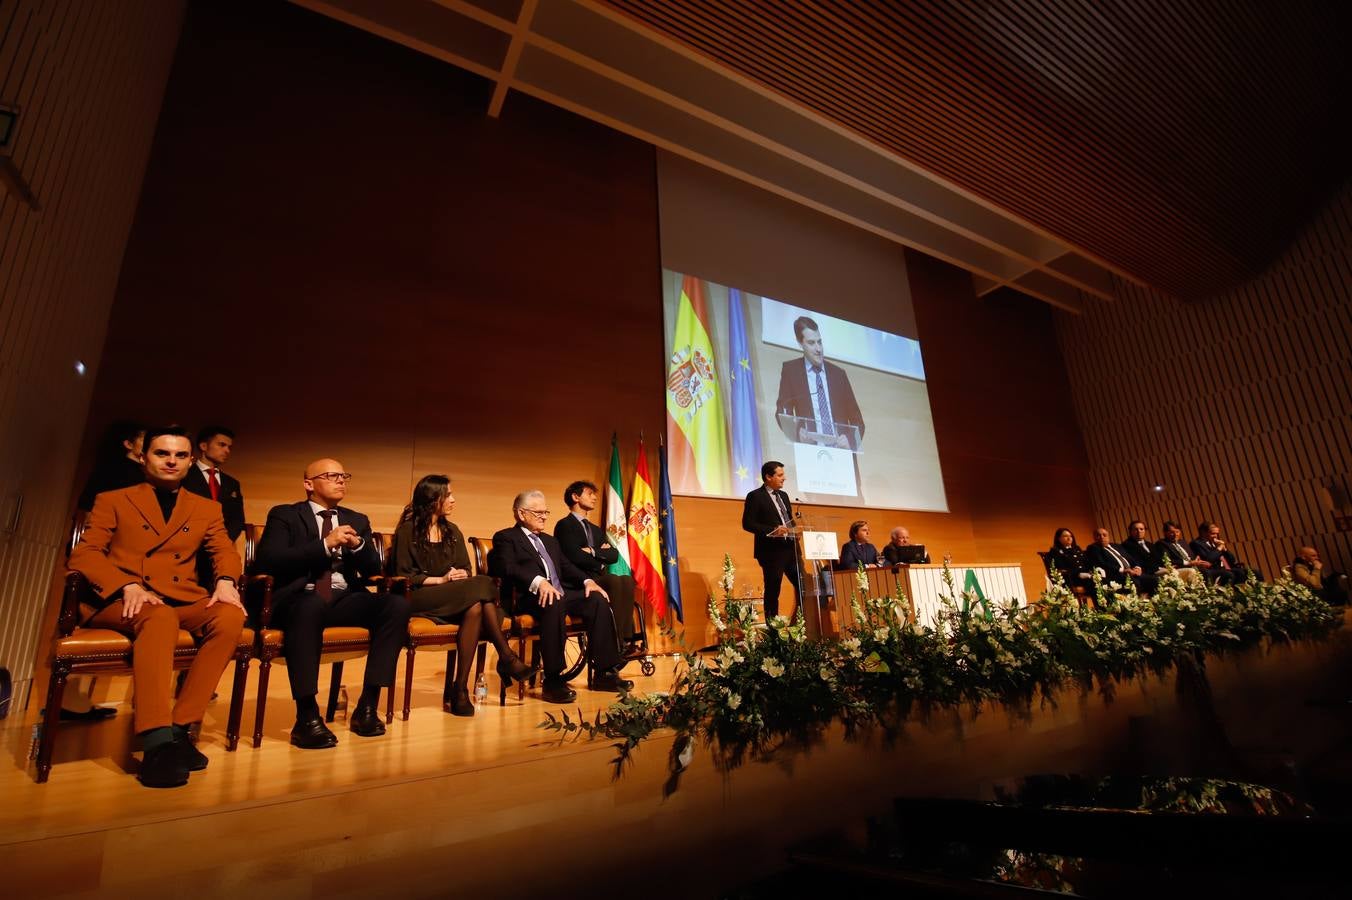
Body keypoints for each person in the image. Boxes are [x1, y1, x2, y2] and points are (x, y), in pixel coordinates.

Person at [67, 426, 245, 788]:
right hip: (122, 599)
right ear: (144, 457)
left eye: (180, 455)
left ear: (190, 460)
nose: (171, 461)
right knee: (160, 616)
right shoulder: (114, 499)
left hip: (182, 597)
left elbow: (223, 550)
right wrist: (126, 584)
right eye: (162, 453)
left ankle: (180, 729)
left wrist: (226, 580)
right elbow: (84, 554)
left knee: (229, 616)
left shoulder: (207, 508)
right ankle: (155, 740)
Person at [254, 460, 410, 749]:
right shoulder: (285, 515)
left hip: (342, 597)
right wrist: (325, 544)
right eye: (331, 476)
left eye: (344, 476)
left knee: (396, 606)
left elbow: (374, 568)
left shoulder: (357, 519)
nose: (341, 480)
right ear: (308, 484)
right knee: (310, 605)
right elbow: (269, 561)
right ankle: (307, 716)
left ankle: (367, 705)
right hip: (298, 598)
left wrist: (359, 546)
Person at [393, 475, 533, 715]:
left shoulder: (452, 531)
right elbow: (403, 575)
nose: (453, 500)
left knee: (477, 606)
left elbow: (467, 568)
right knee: (484, 584)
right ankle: (506, 657)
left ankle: (460, 690)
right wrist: (441, 579)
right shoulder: (408, 531)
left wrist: (459, 573)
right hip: (420, 597)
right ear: (432, 498)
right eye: (448, 495)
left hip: (455, 597)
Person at [490, 490, 628, 703]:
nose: (544, 516)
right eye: (538, 512)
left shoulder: (550, 541)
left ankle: (605, 672)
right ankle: (553, 680)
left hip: (560, 594)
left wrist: (587, 581)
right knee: (554, 600)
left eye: (546, 512)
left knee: (596, 600)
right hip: (528, 596)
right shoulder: (506, 538)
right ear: (521, 513)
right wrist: (539, 581)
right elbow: (506, 567)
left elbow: (566, 566)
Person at [554, 479, 637, 653]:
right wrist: (600, 556)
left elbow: (613, 555)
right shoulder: (564, 525)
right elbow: (573, 556)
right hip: (578, 580)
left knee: (627, 581)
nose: (594, 498)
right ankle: (616, 643)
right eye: (590, 494)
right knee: (614, 581)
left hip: (597, 577)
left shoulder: (596, 529)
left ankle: (624, 638)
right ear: (575, 497)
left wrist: (591, 550)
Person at [774, 316, 865, 450]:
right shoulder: (791, 371)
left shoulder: (839, 375)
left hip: (842, 453)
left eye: (820, 342)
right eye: (811, 343)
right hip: (810, 452)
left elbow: (858, 421)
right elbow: (782, 412)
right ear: (800, 343)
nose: (818, 349)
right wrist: (797, 433)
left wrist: (850, 439)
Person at [182, 426, 246, 589]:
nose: (227, 450)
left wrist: (223, 540)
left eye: (229, 447)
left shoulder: (232, 483)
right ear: (203, 446)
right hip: (189, 547)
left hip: (220, 547)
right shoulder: (184, 476)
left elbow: (237, 519)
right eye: (222, 445)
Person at [741, 460, 800, 619]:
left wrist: (795, 530)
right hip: (771, 552)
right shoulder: (755, 496)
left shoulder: (784, 495)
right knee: (774, 590)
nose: (784, 478)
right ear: (768, 477)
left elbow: (788, 519)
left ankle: (800, 624)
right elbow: (748, 524)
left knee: (803, 586)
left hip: (790, 549)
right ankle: (773, 630)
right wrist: (773, 530)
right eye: (780, 475)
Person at [76, 419, 145, 511]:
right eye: (144, 440)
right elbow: (88, 502)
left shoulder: (146, 471)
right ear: (128, 444)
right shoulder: (112, 468)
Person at [1084, 527, 1157, 595]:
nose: (1102, 537)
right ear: (1094, 538)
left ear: (1108, 536)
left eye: (1104, 535)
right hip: (1117, 575)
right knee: (1132, 581)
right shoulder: (1093, 548)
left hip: (1132, 572)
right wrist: (1123, 570)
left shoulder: (1116, 546)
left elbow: (1130, 559)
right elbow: (1102, 564)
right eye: (1098, 535)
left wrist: (1137, 568)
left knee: (1154, 580)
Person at [1190, 521, 1262, 585]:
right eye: (1213, 533)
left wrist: (1225, 549)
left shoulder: (1215, 543)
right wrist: (1219, 548)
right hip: (1214, 570)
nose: (1216, 536)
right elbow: (1208, 559)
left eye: (1217, 533)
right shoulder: (1196, 543)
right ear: (1203, 532)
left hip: (1227, 568)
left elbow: (1232, 560)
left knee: (1255, 572)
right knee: (1238, 573)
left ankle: (1261, 592)